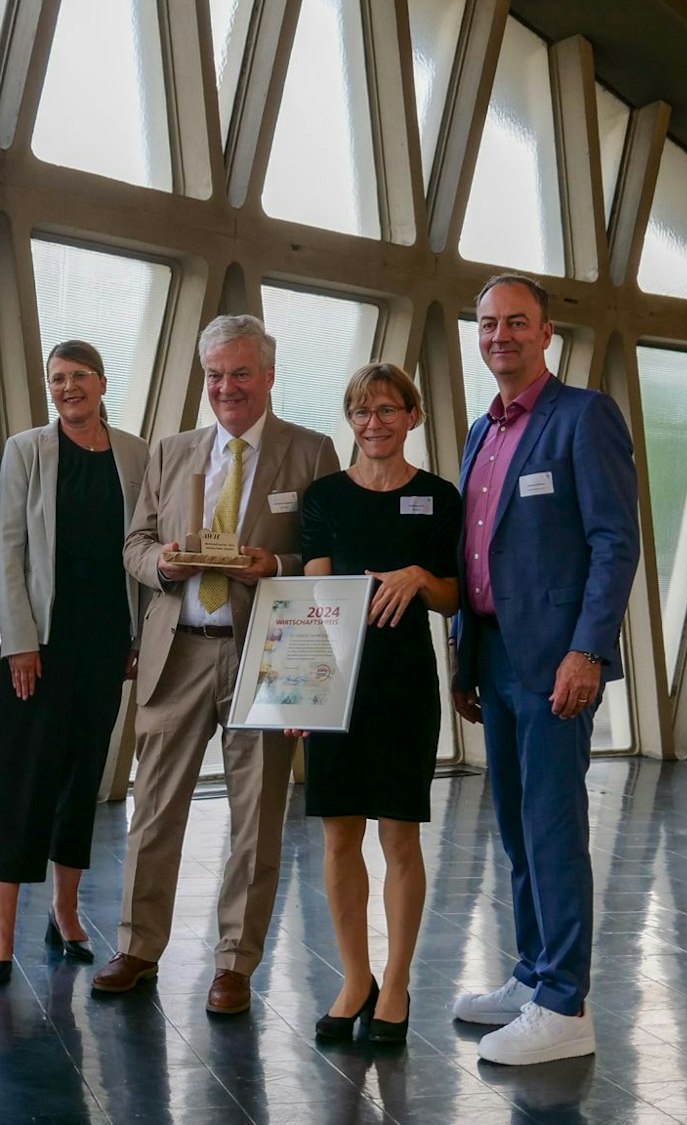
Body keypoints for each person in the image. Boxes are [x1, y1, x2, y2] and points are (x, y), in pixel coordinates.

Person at [92, 314, 339, 1016]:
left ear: (267, 374)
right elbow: (134, 542)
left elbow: (327, 558)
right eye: (214, 375)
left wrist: (278, 564)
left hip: (265, 654)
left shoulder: (312, 451)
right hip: (178, 651)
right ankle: (139, 945)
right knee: (154, 809)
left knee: (259, 817)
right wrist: (161, 562)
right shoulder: (170, 453)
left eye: (238, 372)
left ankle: (235, 961)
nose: (225, 386)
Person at [450, 275, 639, 1066]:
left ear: (547, 332)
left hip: (556, 661)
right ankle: (532, 973)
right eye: (489, 323)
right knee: (518, 828)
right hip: (493, 653)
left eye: (516, 323)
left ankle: (566, 1002)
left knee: (554, 827)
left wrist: (587, 650)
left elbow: (614, 541)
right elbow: (470, 550)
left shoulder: (581, 416)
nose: (501, 335)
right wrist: (464, 650)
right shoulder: (480, 431)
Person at [293, 363, 461, 1044]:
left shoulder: (438, 497)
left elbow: (456, 597)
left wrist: (420, 576)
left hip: (403, 682)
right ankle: (355, 976)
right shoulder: (324, 495)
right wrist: (301, 687)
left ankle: (396, 983)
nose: (374, 424)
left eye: (388, 410)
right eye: (362, 411)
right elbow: (312, 600)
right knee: (338, 834)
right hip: (338, 679)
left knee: (398, 834)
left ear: (413, 416)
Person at [0, 341, 147, 986]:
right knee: (25, 778)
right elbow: (10, 551)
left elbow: (142, 542)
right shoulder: (27, 450)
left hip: (106, 640)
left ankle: (67, 910)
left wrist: (135, 634)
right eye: (57, 379)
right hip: (41, 643)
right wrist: (19, 641)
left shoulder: (135, 453)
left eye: (79, 377)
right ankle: (1, 927)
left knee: (82, 778)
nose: (68, 388)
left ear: (102, 383)